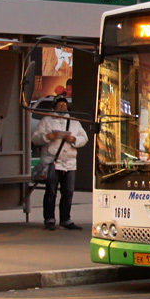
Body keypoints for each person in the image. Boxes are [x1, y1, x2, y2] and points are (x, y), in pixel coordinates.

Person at [31, 95, 88, 230]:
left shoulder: (74, 122)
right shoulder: (46, 120)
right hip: (52, 161)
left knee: (68, 192)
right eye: (59, 104)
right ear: (54, 106)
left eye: (64, 104)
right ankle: (49, 219)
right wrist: (47, 137)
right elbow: (35, 138)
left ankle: (66, 219)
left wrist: (73, 139)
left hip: (70, 163)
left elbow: (84, 138)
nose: (62, 106)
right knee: (51, 192)